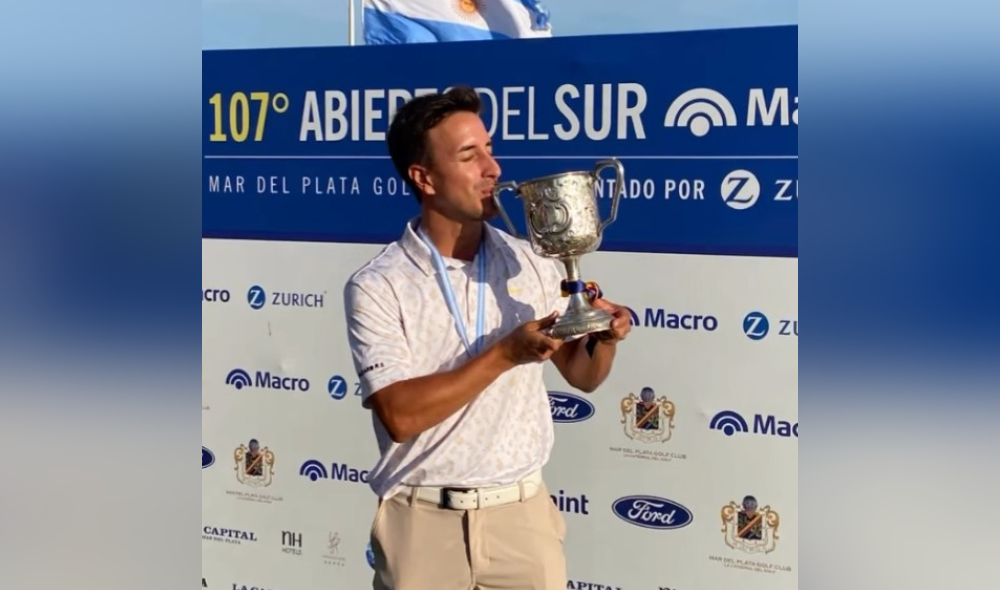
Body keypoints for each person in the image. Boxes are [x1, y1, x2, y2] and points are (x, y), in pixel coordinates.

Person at [342, 86, 631, 590]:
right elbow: (400, 415)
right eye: (469, 155)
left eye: (490, 149)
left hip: (522, 519)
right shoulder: (379, 285)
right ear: (424, 178)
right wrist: (506, 354)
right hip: (422, 524)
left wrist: (602, 338)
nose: (492, 168)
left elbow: (582, 376)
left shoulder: (531, 260)